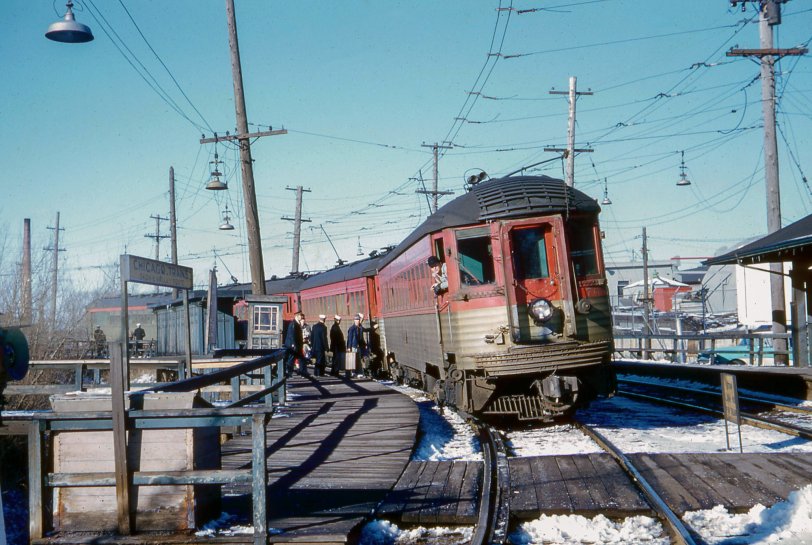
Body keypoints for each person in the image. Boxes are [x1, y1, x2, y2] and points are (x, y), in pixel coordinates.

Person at [285, 312, 308, 376]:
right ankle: (289, 372)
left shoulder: (297, 323)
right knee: (291, 359)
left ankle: (303, 371)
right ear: (297, 316)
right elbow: (292, 335)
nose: (301, 317)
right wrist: (293, 344)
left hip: (298, 345)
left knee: (301, 359)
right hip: (294, 346)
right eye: (300, 316)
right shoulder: (293, 324)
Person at [346, 313, 367, 378]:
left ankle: (358, 372)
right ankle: (353, 372)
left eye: (358, 320)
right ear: (354, 320)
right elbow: (349, 338)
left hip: (359, 346)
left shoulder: (360, 328)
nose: (357, 321)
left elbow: (361, 337)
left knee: (358, 359)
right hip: (354, 346)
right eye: (356, 320)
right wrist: (349, 347)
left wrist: (364, 344)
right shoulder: (351, 329)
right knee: (353, 360)